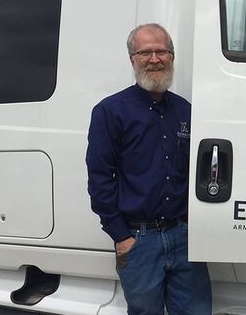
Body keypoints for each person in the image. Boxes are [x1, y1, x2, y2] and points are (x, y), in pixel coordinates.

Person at [86, 23, 211, 314]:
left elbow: (198, 171)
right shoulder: (110, 111)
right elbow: (100, 177)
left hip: (185, 238)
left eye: (161, 51)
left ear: (172, 57)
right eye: (145, 52)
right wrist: (120, 236)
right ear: (132, 59)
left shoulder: (186, 111)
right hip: (138, 241)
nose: (154, 59)